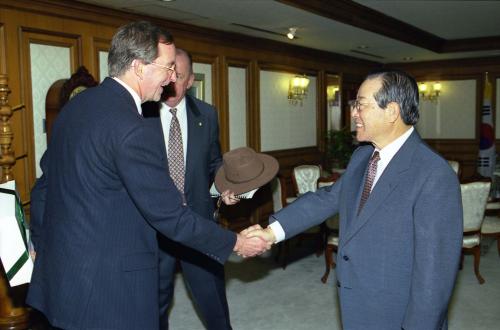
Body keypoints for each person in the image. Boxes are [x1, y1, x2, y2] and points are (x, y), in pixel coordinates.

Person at [26, 21, 268, 330]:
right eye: (167, 68)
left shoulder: (77, 107)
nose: (170, 78)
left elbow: (44, 186)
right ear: (139, 67)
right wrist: (236, 242)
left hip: (65, 280)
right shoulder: (132, 128)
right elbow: (170, 216)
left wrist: (40, 241)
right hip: (110, 291)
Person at [248, 70, 463, 329]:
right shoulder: (363, 156)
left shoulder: (433, 174)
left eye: (360, 105)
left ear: (392, 111)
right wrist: (271, 233)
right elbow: (327, 199)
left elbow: (434, 279)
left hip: (395, 314)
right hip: (356, 304)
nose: (353, 114)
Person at [142, 48, 235, 329]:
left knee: (213, 300)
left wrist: (225, 186)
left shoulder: (206, 114)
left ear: (191, 80)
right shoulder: (141, 114)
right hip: (156, 226)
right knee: (154, 303)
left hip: (197, 223)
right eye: (167, 74)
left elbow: (215, 161)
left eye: (178, 76)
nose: (170, 82)